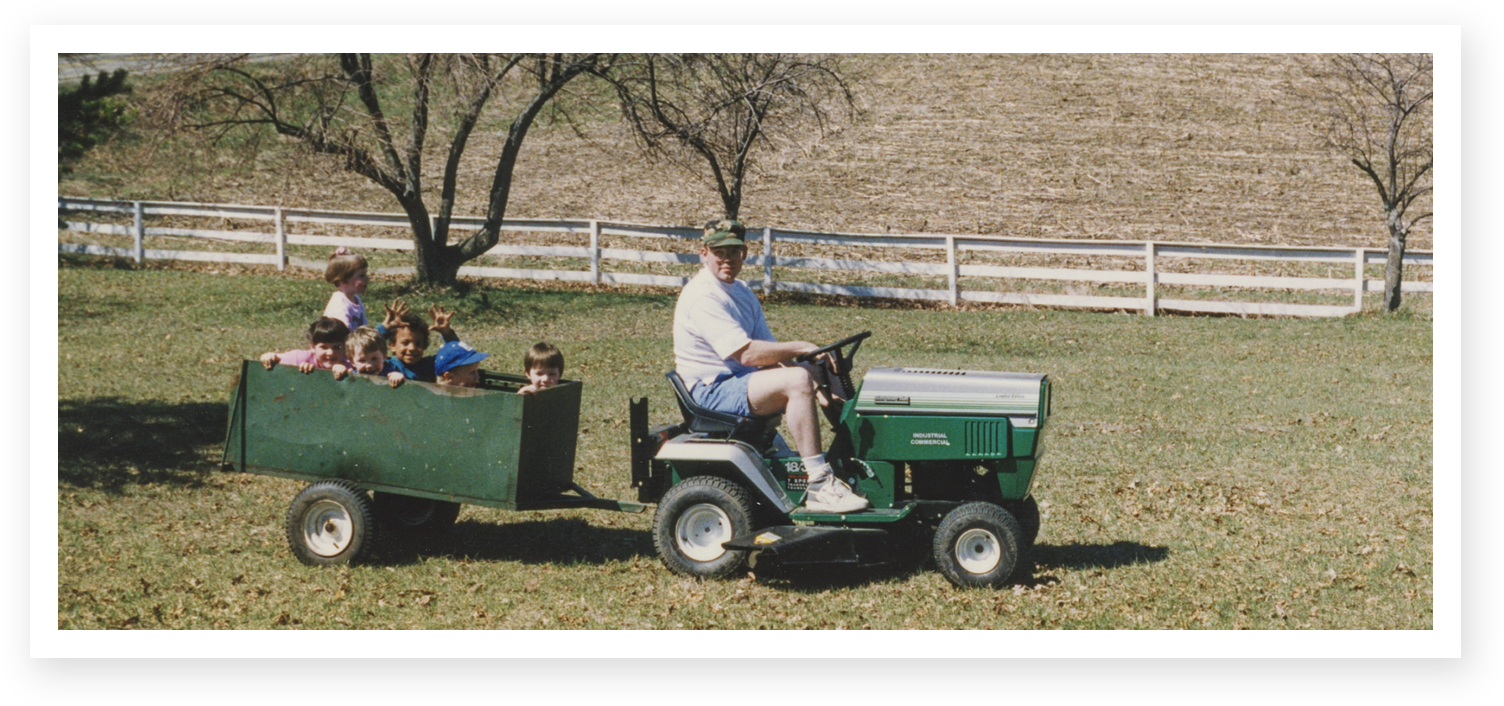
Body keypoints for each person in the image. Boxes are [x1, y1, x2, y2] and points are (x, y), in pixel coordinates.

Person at [673, 219, 869, 514]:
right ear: (704, 254)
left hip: (739, 381)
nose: (727, 259)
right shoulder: (703, 295)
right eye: (720, 252)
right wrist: (802, 349)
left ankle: (851, 456)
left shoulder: (740, 291)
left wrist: (818, 375)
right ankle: (818, 483)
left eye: (734, 252)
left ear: (745, 253)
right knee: (796, 381)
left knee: (815, 372)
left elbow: (772, 351)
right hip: (711, 390)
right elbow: (747, 354)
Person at [377, 300, 460, 383]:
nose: (412, 348)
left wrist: (447, 332)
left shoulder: (429, 366)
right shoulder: (383, 365)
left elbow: (457, 354)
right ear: (392, 346)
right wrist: (385, 327)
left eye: (418, 344)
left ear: (424, 346)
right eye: (405, 343)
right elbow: (365, 346)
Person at [260, 317, 350, 373]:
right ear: (313, 347)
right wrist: (268, 357)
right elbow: (274, 358)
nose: (330, 352)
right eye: (323, 347)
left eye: (337, 347)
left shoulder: (349, 364)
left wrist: (345, 372)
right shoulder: (300, 357)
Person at [331, 326, 406, 388]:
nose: (369, 365)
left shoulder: (388, 374)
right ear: (352, 361)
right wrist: (339, 369)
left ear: (384, 356)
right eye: (362, 360)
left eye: (374, 359)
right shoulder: (352, 376)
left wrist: (397, 377)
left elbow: (398, 380)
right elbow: (341, 390)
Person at [323, 247, 370, 331]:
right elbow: (341, 338)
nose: (368, 278)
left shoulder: (355, 299)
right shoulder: (339, 306)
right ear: (343, 280)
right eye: (361, 276)